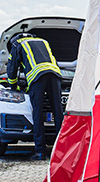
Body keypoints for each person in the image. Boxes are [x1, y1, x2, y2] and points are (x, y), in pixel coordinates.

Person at [5, 32, 63, 160]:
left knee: (37, 112)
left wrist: (13, 86)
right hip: (55, 75)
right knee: (58, 112)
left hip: (38, 78)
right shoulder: (43, 41)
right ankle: (62, 151)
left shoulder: (17, 44)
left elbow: (12, 69)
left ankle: (40, 152)